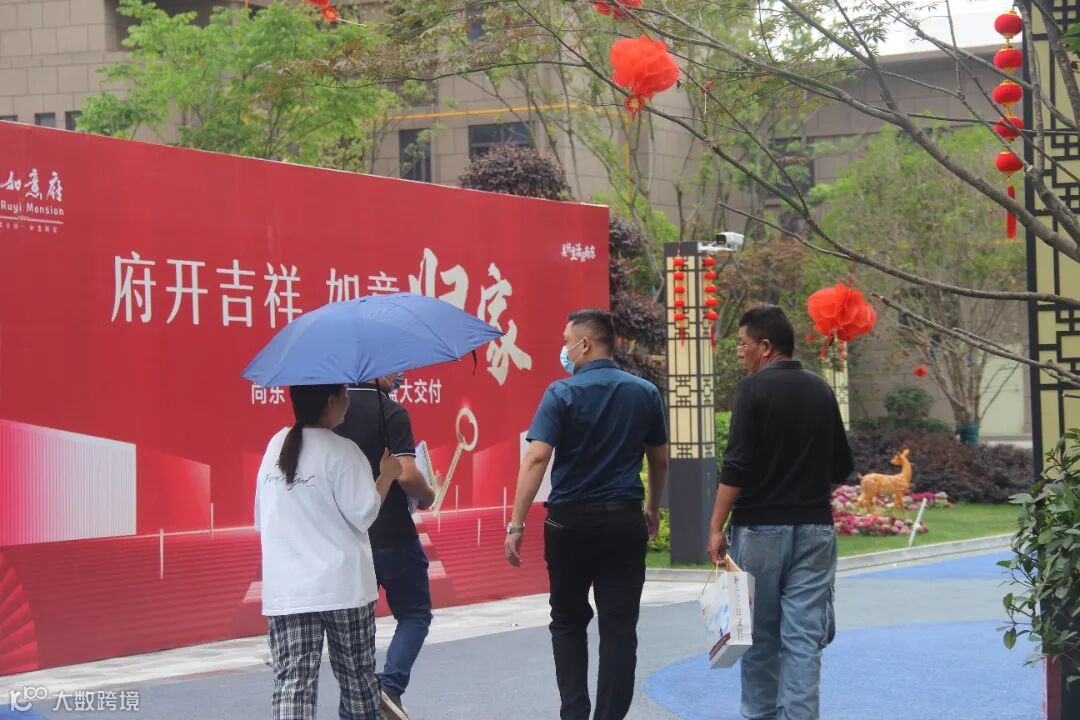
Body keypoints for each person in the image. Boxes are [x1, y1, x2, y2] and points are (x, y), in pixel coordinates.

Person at [504, 309, 669, 720]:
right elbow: (660, 460)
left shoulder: (561, 393)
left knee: (567, 620)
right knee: (618, 627)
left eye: (566, 341)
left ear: (585, 344)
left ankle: (574, 712)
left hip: (568, 524)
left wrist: (516, 524)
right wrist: (652, 508)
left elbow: (536, 458)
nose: (563, 349)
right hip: (623, 521)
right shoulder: (645, 393)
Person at [707, 305, 855, 720]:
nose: (740, 351)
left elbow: (736, 467)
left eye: (743, 343)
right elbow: (841, 467)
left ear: (766, 346)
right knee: (804, 639)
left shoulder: (752, 390)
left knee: (759, 638)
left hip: (759, 531)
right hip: (815, 531)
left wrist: (715, 527)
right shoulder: (821, 389)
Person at [254, 383, 400, 720]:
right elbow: (364, 513)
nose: (349, 399)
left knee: (292, 684)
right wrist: (387, 475)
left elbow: (262, 519)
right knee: (358, 680)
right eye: (345, 393)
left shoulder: (276, 445)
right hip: (343, 588)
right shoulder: (344, 451)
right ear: (331, 401)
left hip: (289, 591)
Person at [336, 374, 437, 720]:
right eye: (394, 369)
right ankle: (389, 687)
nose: (399, 374)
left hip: (349, 538)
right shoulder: (390, 411)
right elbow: (407, 474)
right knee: (415, 614)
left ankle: (354, 708)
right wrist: (429, 494)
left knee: (356, 631)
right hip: (393, 533)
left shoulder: (333, 412)